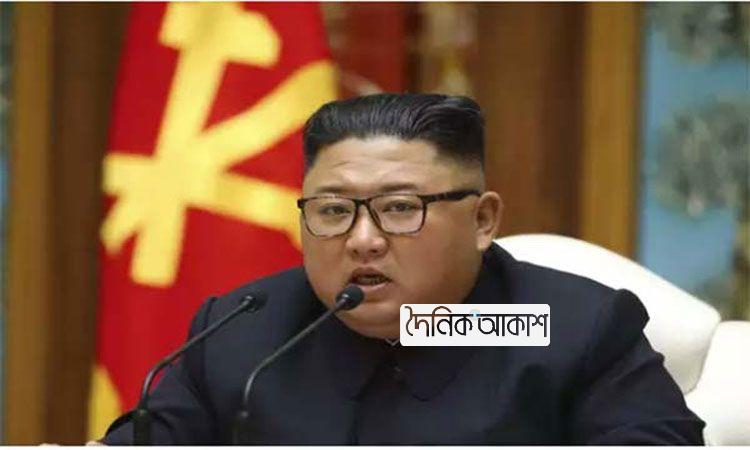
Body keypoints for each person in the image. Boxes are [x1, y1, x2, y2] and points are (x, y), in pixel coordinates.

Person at [101, 93, 705, 444]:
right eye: (333, 211)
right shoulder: (244, 330)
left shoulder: (570, 330)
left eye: (399, 209)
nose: (363, 240)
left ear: (483, 220)